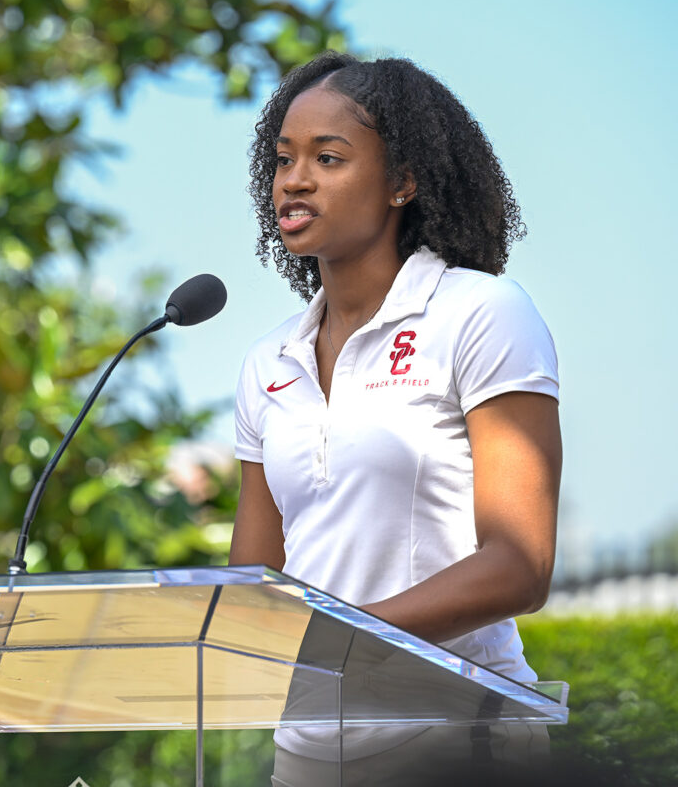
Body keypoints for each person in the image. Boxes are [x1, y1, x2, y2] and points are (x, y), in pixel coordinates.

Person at [230, 52, 562, 785]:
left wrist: (345, 638)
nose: (295, 179)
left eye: (329, 157)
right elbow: (256, 581)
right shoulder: (268, 362)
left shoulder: (478, 315)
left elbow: (520, 566)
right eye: (284, 158)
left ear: (403, 182)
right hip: (308, 751)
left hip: (459, 738)